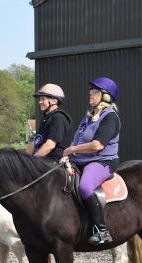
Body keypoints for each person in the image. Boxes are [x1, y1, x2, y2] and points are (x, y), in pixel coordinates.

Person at [60, 77, 120, 245]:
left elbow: (97, 145)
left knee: (85, 186)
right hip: (79, 160)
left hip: (102, 161)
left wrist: (71, 150)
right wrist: (67, 155)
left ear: (106, 96)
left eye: (95, 91)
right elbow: (77, 140)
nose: (90, 93)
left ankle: (101, 230)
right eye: (91, 90)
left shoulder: (110, 117)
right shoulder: (89, 116)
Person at [26, 83, 73, 160]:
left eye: (43, 99)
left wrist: (32, 161)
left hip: (54, 161)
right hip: (44, 160)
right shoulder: (46, 118)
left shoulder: (59, 118)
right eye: (40, 99)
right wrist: (25, 160)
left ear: (54, 101)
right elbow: (34, 142)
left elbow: (50, 145)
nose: (40, 102)